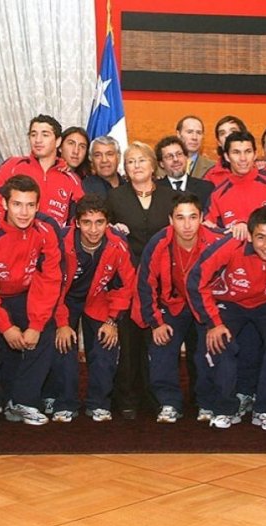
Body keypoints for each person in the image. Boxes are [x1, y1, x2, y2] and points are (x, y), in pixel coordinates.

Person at [188, 205, 266, 430]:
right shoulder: (231, 245)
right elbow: (196, 280)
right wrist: (213, 323)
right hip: (231, 303)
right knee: (221, 342)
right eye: (261, 238)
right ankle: (225, 408)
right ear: (249, 235)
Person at [0, 175, 64, 427]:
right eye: (17, 204)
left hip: (27, 295)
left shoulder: (46, 232)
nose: (24, 212)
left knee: (45, 332)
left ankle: (23, 401)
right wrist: (6, 327)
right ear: (4, 204)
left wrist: (35, 325)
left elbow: (49, 280)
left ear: (38, 206)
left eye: (30, 205)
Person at [135, 193, 223, 422]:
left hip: (205, 306)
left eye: (193, 217)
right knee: (161, 347)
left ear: (202, 218)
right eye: (180, 217)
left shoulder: (216, 241)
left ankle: (207, 402)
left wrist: (217, 321)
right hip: (172, 305)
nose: (187, 224)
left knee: (209, 349)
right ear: (170, 220)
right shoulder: (159, 242)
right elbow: (145, 284)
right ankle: (169, 402)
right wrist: (156, 323)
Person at [107, 141, 177, 419]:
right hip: (127, 280)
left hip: (162, 281)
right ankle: (127, 398)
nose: (135, 166)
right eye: (130, 162)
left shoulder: (171, 196)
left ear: (153, 165)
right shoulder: (115, 197)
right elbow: (103, 232)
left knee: (157, 341)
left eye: (141, 160)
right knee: (129, 341)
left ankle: (158, 396)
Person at [50, 195, 136, 422]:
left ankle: (98, 403)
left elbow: (126, 285)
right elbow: (51, 286)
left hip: (98, 298)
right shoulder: (60, 242)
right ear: (76, 223)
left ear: (107, 223)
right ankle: (65, 403)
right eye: (87, 222)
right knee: (64, 346)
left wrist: (111, 321)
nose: (93, 229)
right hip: (63, 300)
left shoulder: (117, 244)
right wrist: (61, 323)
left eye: (99, 222)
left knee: (105, 345)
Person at [0, 115, 83, 227]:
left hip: (52, 242)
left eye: (45, 135)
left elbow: (77, 219)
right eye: (33, 134)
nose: (38, 140)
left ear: (58, 141)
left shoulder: (71, 179)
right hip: (14, 239)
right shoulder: (13, 165)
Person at [155, 135, 215, 209]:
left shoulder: (206, 188)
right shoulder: (154, 190)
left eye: (179, 154)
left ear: (186, 157)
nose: (175, 159)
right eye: (169, 156)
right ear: (161, 163)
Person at [202, 115, 247, 186]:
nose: (227, 136)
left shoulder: (259, 168)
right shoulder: (211, 176)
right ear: (219, 142)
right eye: (222, 133)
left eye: (233, 131)